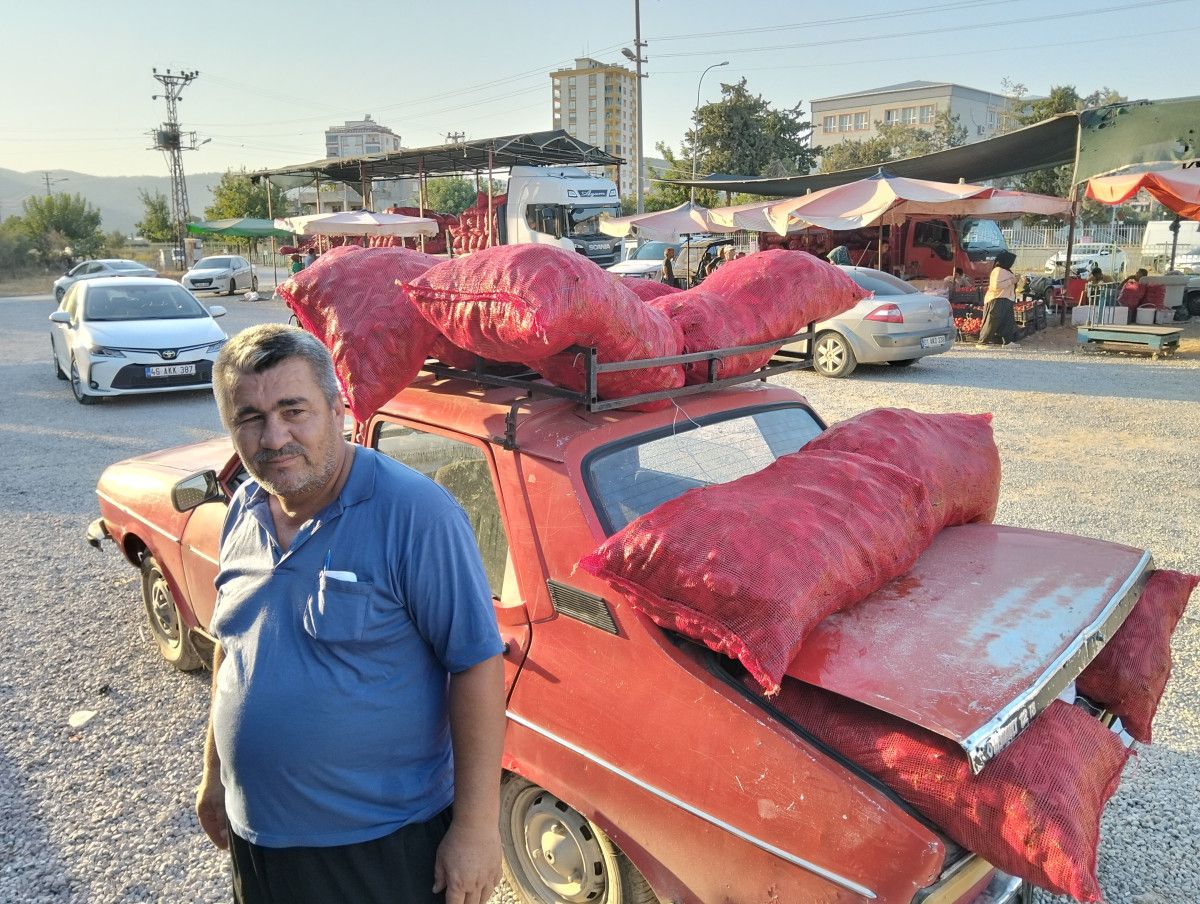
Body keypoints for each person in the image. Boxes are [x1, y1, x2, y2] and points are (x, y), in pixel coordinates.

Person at [197, 324, 506, 904]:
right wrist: (215, 775)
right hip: (257, 837)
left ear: (338, 410)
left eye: (294, 411)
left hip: (381, 849)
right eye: (250, 418)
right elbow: (231, 648)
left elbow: (476, 664)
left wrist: (476, 828)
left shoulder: (415, 514)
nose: (275, 437)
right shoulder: (243, 508)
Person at [976, 250, 1020, 348]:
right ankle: (982, 342)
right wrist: (1013, 280)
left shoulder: (1006, 270)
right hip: (997, 299)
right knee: (992, 321)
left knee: (1007, 321)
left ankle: (1007, 342)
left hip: (1007, 299)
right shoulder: (998, 270)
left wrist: (1016, 280)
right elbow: (996, 286)